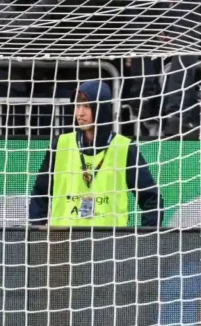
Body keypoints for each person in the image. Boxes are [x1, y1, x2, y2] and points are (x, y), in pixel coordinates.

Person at [28, 80, 163, 227]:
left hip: (108, 243)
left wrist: (145, 241)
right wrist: (38, 236)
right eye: (77, 106)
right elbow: (39, 195)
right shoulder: (60, 144)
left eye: (87, 106)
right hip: (63, 242)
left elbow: (151, 200)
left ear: (101, 108)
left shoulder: (124, 148)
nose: (80, 113)